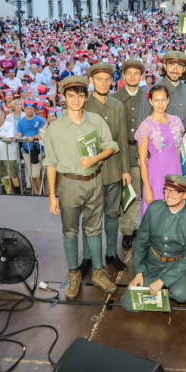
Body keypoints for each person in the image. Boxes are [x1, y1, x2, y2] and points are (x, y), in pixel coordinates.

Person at [43, 75, 119, 301]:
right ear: (63, 98)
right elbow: (50, 163)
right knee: (70, 231)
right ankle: (74, 273)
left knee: (94, 229)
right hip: (68, 184)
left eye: (80, 95)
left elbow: (111, 146)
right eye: (71, 95)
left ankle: (98, 271)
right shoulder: (55, 128)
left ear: (86, 97)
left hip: (94, 181)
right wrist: (52, 196)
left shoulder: (96, 121)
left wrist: (95, 158)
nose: (76, 99)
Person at [122, 174, 186, 312]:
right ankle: (157, 286)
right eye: (167, 190)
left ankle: (182, 282)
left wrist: (162, 281)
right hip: (152, 262)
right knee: (129, 305)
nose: (169, 195)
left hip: (179, 264)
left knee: (180, 295)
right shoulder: (154, 208)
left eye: (175, 191)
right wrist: (138, 272)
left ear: (185, 195)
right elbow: (140, 242)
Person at [81, 63, 132, 273]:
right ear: (91, 81)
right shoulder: (83, 106)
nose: (103, 83)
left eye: (107, 79)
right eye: (99, 79)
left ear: (112, 80)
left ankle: (111, 254)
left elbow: (121, 137)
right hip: (91, 171)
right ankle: (87, 257)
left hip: (113, 169)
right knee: (90, 216)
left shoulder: (117, 104)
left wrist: (126, 169)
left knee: (113, 215)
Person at [136, 84, 185, 219]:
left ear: (168, 100)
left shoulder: (176, 121)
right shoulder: (146, 125)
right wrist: (147, 188)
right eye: (156, 100)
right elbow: (143, 160)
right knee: (157, 214)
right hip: (156, 175)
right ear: (150, 101)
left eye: (163, 99)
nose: (160, 104)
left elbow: (178, 149)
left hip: (175, 170)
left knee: (176, 212)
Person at [111, 59, 146, 249]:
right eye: (128, 73)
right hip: (123, 152)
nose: (132, 77)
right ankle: (126, 229)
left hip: (145, 152)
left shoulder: (148, 97)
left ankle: (137, 226)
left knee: (142, 192)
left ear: (142, 76)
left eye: (136, 73)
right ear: (123, 76)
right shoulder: (114, 98)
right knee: (127, 194)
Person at [137, 50, 186, 129]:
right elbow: (142, 129)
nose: (175, 70)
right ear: (165, 67)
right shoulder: (150, 92)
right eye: (171, 65)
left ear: (184, 69)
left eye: (179, 66)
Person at [16, 100, 46, 194]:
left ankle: (40, 191)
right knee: (30, 172)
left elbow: (40, 134)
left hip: (37, 149)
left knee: (36, 173)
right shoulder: (20, 121)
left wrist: (33, 138)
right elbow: (19, 135)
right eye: (27, 108)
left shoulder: (40, 119)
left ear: (34, 110)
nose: (29, 111)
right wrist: (17, 138)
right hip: (26, 150)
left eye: (31, 109)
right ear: (24, 109)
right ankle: (35, 191)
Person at [0, 109, 20, 194]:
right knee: (2, 175)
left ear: (3, 116)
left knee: (13, 174)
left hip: (9, 155)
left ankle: (18, 193)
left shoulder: (9, 125)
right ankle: (8, 191)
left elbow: (9, 141)